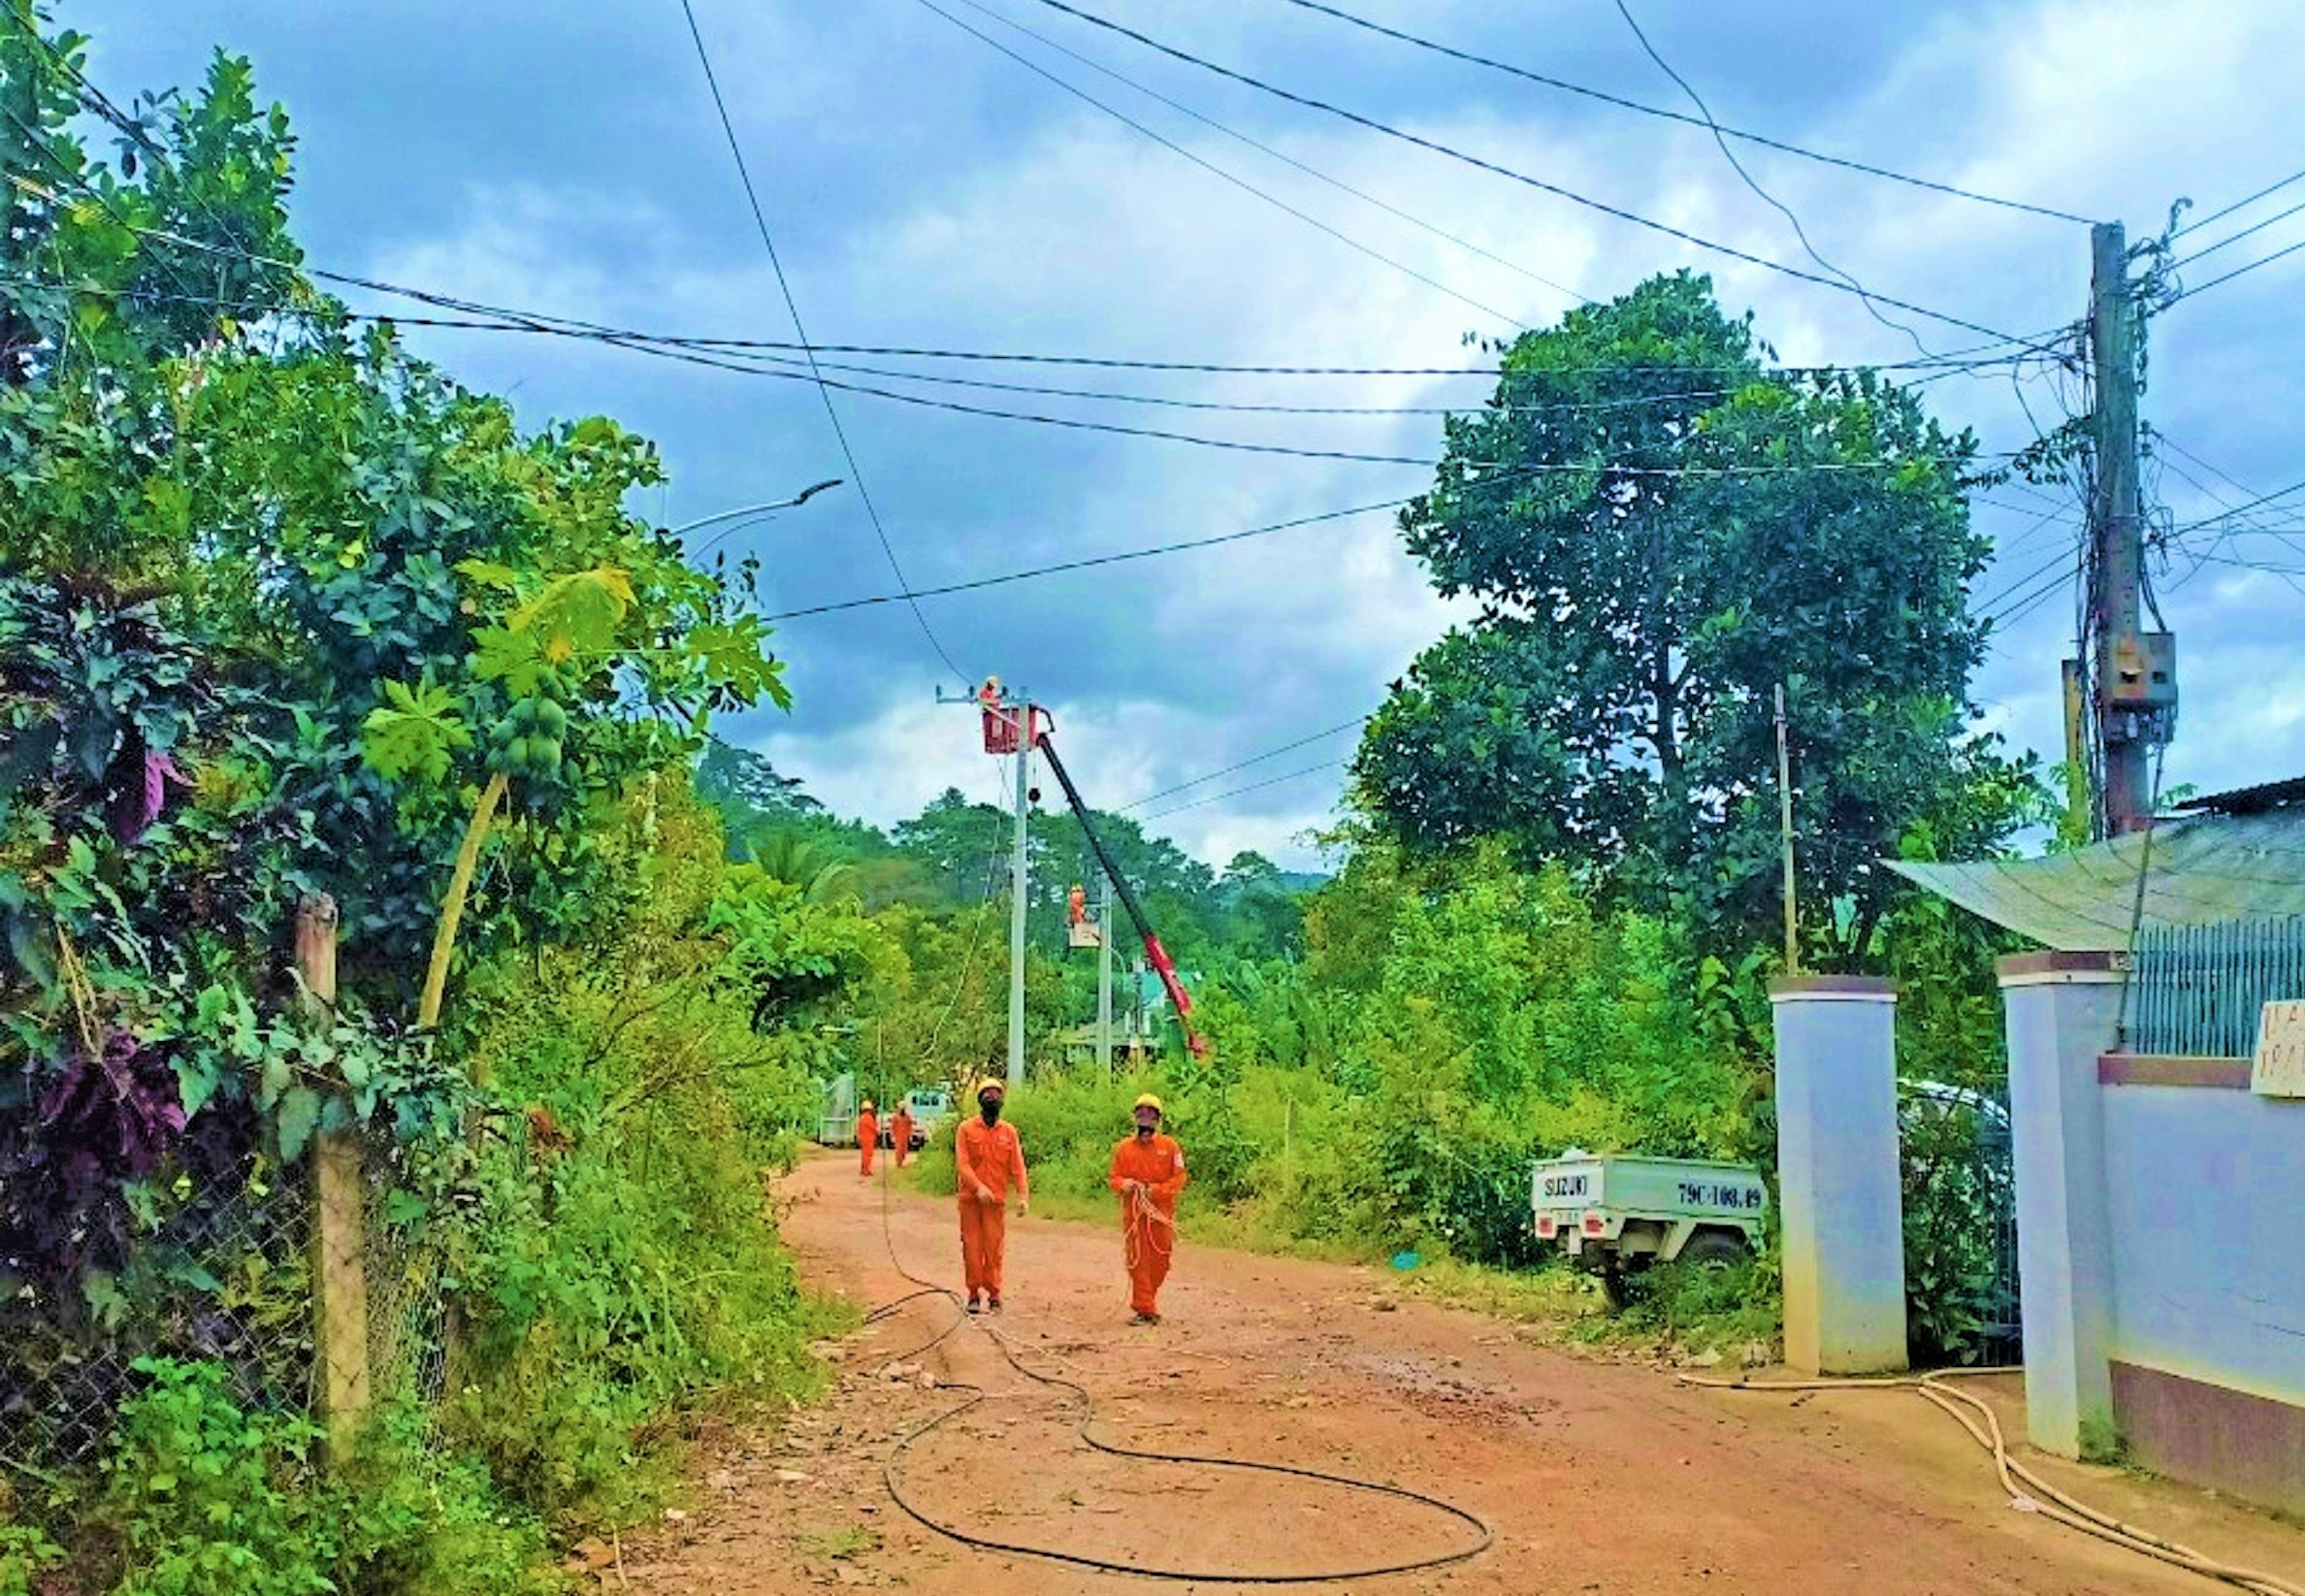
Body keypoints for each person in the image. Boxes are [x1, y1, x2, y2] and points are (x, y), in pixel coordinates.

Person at [1108, 1093, 1187, 1326]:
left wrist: (1156, 1191)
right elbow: (1114, 1178)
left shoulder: (1170, 1147)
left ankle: (1148, 1301)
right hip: (1134, 1215)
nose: (1146, 1117)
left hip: (1161, 1215)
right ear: (1135, 1117)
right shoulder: (1123, 1149)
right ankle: (1145, 1309)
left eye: (1151, 1113)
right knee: (1138, 1260)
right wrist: (1125, 1185)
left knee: (1161, 1261)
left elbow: (1180, 1177)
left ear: (1158, 1119)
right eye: (1141, 1112)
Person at [954, 1077, 1028, 1313]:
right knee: (972, 1249)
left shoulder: (1009, 1132)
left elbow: (1017, 1166)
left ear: (1002, 1101)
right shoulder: (966, 1129)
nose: (992, 1098)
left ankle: (995, 1294)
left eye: (996, 1094)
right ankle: (974, 1294)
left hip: (995, 1203)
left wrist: (1023, 1196)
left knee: (994, 1250)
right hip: (970, 1201)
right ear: (980, 1100)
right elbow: (963, 1164)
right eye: (987, 1094)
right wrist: (978, 1187)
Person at [890, 1098, 915, 1169]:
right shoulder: (895, 1117)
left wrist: (910, 1135)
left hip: (905, 1136)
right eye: (901, 1108)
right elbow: (892, 1127)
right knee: (898, 1150)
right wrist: (892, 1136)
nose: (902, 1109)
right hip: (897, 1136)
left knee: (904, 1151)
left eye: (903, 1108)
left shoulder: (908, 1117)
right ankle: (898, 1163)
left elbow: (910, 1126)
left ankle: (901, 1161)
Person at [857, 1099, 877, 1179]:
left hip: (863, 1138)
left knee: (864, 1154)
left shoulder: (862, 1117)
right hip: (868, 1139)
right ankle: (866, 1170)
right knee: (868, 1155)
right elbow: (873, 1128)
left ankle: (863, 1169)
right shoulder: (869, 1118)